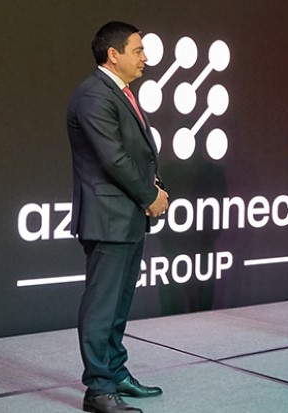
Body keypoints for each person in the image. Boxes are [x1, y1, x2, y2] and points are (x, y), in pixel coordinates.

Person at [67, 21, 169, 413]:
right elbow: (113, 159)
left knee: (119, 304)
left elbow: (136, 155)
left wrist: (154, 187)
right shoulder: (94, 94)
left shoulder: (119, 93)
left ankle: (114, 373)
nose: (145, 58)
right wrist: (149, 196)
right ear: (114, 54)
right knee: (102, 305)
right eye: (138, 50)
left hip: (126, 216)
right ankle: (98, 389)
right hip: (107, 217)